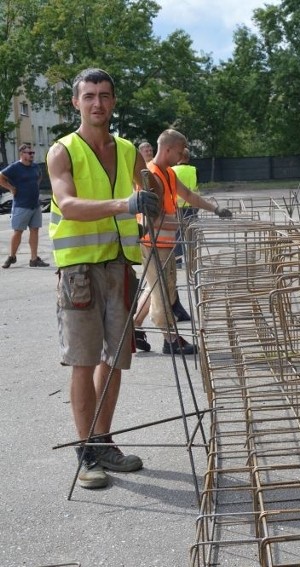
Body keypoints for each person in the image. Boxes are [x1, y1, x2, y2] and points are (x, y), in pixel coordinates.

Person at [47, 68, 161, 489]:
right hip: (78, 271)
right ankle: (86, 452)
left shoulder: (128, 149)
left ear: (113, 102)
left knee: (114, 361)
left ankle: (103, 440)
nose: (97, 103)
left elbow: (148, 188)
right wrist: (124, 203)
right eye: (89, 96)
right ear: (76, 102)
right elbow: (69, 203)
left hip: (120, 267)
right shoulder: (62, 150)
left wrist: (151, 197)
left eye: (105, 96)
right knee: (82, 360)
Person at [137, 128, 231, 355]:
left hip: (165, 243)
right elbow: (155, 217)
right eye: (179, 152)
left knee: (155, 288)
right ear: (168, 149)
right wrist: (185, 226)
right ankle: (171, 339)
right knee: (162, 291)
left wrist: (215, 209)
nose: (182, 156)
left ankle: (133, 326)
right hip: (152, 243)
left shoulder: (169, 173)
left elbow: (189, 195)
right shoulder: (149, 175)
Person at [0, 144, 50, 268]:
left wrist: (35, 187)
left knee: (35, 230)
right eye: (29, 153)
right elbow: (1, 177)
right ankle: (12, 256)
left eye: (32, 153)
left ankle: (34, 259)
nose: (32, 155)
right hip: (21, 205)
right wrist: (11, 188)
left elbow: (39, 177)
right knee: (18, 231)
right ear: (22, 154)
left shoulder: (35, 166)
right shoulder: (15, 167)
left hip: (35, 205)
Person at [172, 147, 198, 268]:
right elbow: (195, 187)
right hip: (191, 207)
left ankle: (178, 262)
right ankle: (194, 260)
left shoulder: (171, 170)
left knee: (177, 235)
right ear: (188, 158)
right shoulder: (194, 170)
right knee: (192, 235)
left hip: (176, 207)